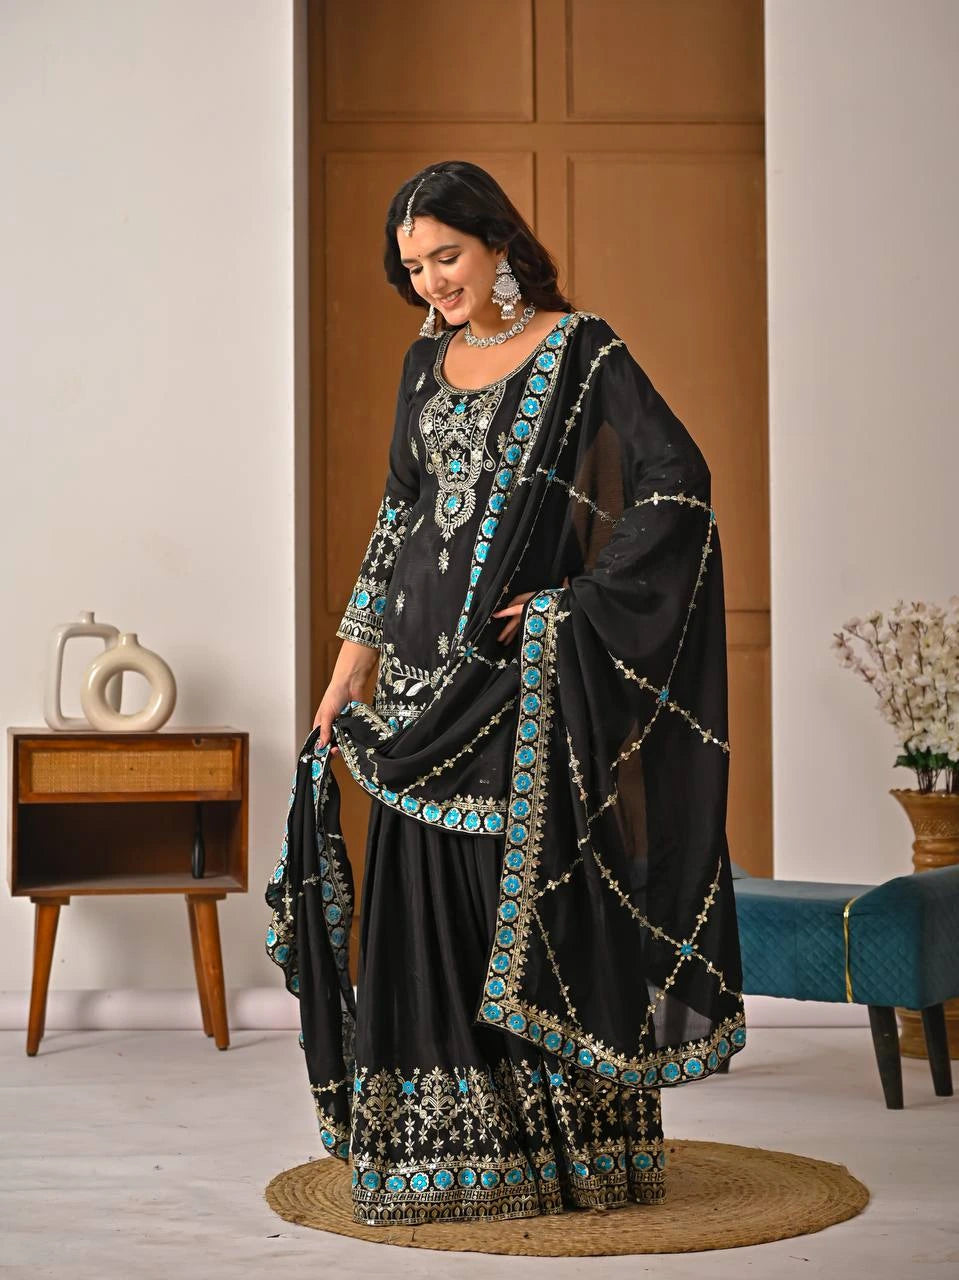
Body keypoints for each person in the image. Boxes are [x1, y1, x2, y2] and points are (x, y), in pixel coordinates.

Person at [266, 160, 746, 1228]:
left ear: (496, 244)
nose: (432, 280)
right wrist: (351, 661)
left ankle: (564, 1151)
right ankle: (443, 1149)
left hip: (521, 682)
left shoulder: (582, 350)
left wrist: (574, 602)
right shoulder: (424, 362)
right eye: (412, 266)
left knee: (517, 900)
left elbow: (676, 480)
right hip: (420, 674)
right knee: (424, 899)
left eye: (445, 255)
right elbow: (400, 514)